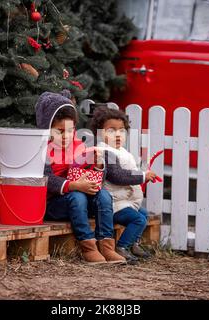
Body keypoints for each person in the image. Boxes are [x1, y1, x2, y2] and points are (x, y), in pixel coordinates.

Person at [36, 90, 148, 265]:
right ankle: (88, 246)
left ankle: (106, 244)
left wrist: (97, 167)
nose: (66, 136)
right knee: (78, 196)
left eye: (71, 130)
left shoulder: (79, 146)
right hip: (55, 204)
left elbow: (96, 175)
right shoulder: (44, 150)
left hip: (80, 195)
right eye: (59, 131)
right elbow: (47, 179)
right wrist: (74, 185)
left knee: (103, 194)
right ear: (47, 129)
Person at [90, 106, 157, 263]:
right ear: (100, 133)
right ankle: (122, 247)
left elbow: (129, 171)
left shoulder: (123, 152)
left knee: (144, 214)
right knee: (138, 220)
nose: (117, 135)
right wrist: (142, 176)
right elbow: (117, 176)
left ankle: (134, 243)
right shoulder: (105, 152)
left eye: (121, 130)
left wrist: (144, 176)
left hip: (126, 201)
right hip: (114, 203)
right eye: (111, 131)